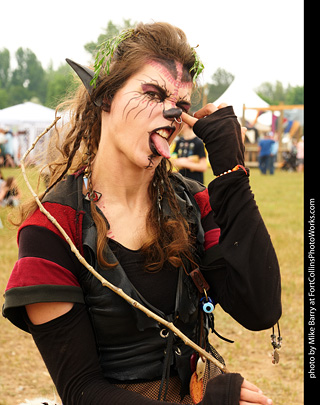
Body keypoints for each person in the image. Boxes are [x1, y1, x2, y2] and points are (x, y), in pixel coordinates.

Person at [2, 22, 281, 405]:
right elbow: (82, 391)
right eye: (153, 93)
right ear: (106, 97)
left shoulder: (193, 205)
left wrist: (232, 174)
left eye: (182, 105)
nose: (172, 114)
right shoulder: (53, 229)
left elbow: (260, 309)